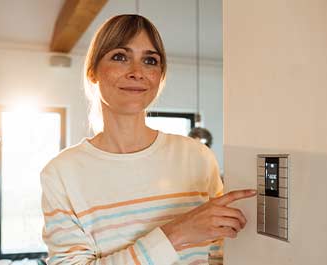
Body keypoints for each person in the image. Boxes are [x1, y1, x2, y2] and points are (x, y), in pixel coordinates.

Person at [40, 14, 255, 265]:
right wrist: (176, 234)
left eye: (150, 60)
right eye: (120, 56)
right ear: (92, 72)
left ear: (160, 76)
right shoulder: (61, 174)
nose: (137, 72)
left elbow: (221, 254)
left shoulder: (197, 157)